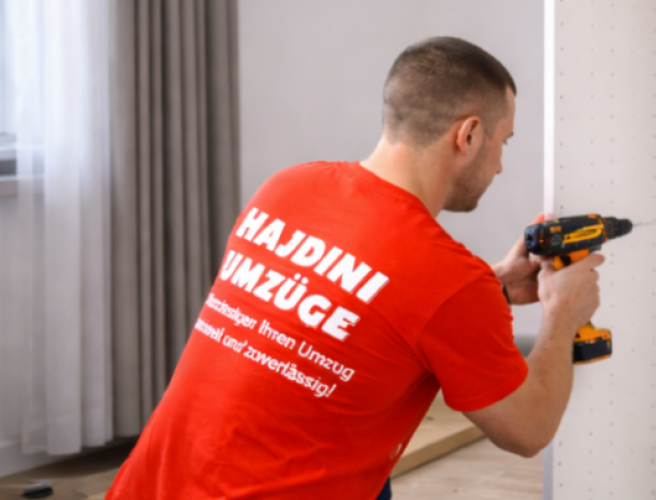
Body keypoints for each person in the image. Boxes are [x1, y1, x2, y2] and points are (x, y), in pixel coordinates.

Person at [105, 36, 603, 500]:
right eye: (503, 143)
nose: (499, 166)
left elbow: (353, 309)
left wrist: (488, 288)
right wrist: (562, 313)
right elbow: (528, 431)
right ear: (468, 135)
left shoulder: (287, 188)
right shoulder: (448, 279)